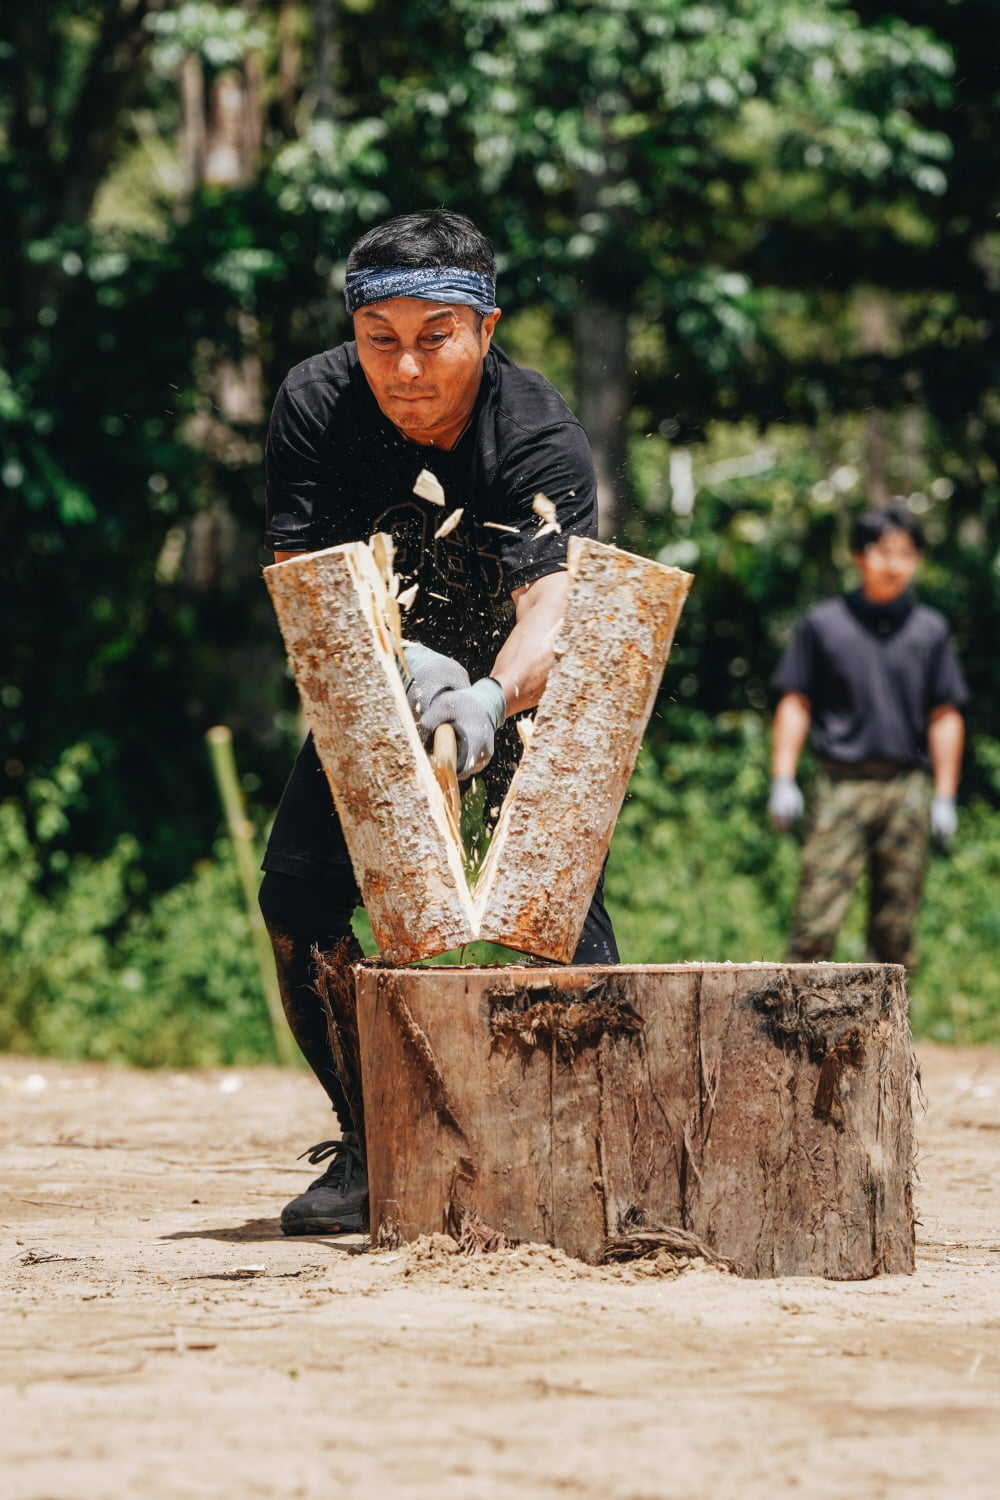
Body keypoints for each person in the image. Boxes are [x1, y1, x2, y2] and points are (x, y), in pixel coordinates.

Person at [258, 208, 619, 1235]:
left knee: (553, 918)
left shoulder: (537, 434)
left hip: (519, 686)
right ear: (355, 334)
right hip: (376, 671)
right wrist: (398, 663)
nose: (406, 366)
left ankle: (580, 1159)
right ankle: (375, 1147)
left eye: (435, 338)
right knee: (297, 897)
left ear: (485, 330)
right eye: (382, 339)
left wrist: (489, 699)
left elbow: (555, 610)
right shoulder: (315, 404)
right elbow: (299, 574)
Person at [768, 505, 967, 970]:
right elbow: (796, 702)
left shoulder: (930, 629)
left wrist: (945, 795)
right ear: (858, 556)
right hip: (841, 785)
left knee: (895, 932)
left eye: (907, 553)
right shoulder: (824, 624)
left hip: (907, 789)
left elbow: (945, 715)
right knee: (815, 923)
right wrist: (783, 778)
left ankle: (884, 1037)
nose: (895, 564)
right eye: (884, 551)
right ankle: (794, 1031)